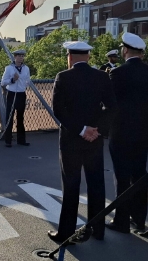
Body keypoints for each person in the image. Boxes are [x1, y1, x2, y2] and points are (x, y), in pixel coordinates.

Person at [48, 41, 116, 244]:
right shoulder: (102, 76)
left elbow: (59, 110)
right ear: (87, 56)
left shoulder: (63, 77)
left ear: (70, 57)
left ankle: (66, 232)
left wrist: (80, 129)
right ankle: (98, 228)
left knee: (71, 185)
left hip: (70, 139)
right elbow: (112, 107)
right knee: (96, 184)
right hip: (94, 140)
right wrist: (97, 130)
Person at [105, 33, 148, 233]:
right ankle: (139, 218)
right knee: (139, 175)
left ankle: (121, 220)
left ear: (125, 50)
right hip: (144, 132)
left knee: (122, 177)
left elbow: (110, 103)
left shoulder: (117, 73)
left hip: (121, 132)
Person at [0, 49, 31, 147]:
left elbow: (28, 80)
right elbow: (3, 82)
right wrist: (13, 80)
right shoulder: (9, 68)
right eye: (19, 56)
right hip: (12, 93)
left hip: (21, 94)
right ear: (15, 57)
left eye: (22, 56)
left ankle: (21, 140)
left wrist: (24, 85)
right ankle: (8, 140)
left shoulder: (26, 68)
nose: (21, 58)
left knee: (20, 117)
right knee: (10, 117)